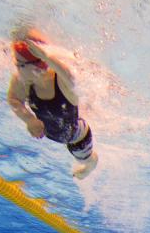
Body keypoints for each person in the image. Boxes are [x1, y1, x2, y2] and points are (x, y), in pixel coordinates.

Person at [7, 30, 98, 179]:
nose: (16, 68)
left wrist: (46, 56)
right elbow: (13, 100)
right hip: (54, 133)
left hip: (76, 136)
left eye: (20, 65)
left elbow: (71, 77)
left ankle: (90, 167)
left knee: (88, 160)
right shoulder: (22, 80)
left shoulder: (61, 83)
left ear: (38, 67)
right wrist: (28, 119)